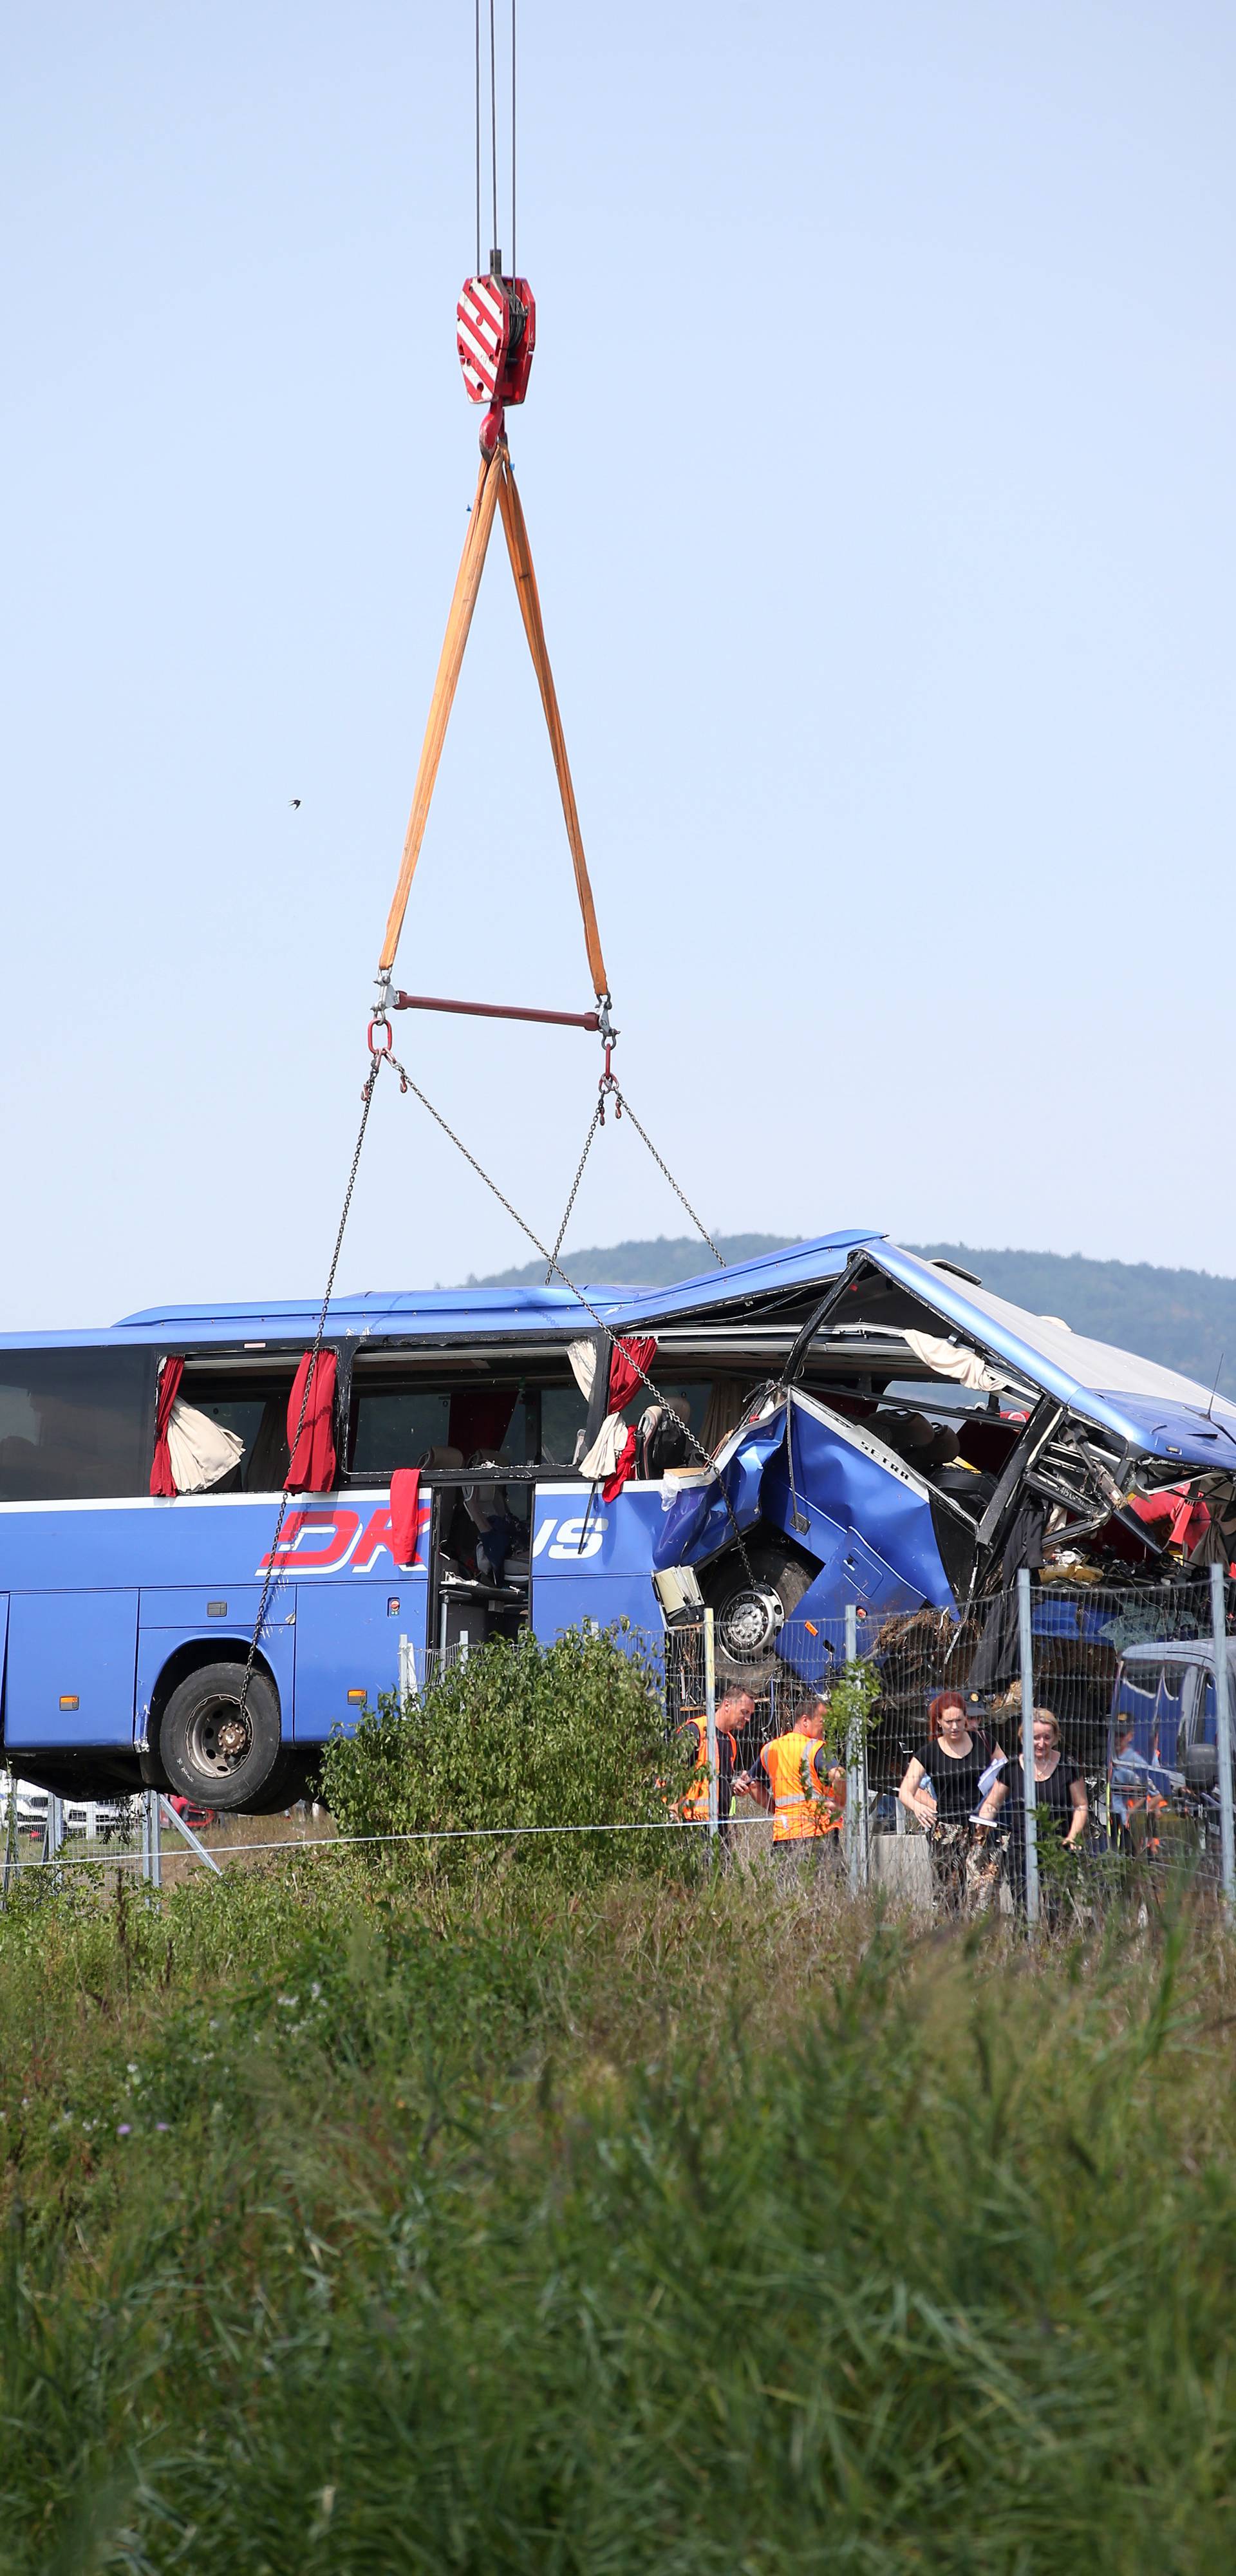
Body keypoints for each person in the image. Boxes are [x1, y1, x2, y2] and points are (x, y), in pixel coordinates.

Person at [897, 1690, 1005, 1917]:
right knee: (948, 1900)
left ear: (965, 1717)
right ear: (939, 1722)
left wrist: (992, 1802)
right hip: (947, 1833)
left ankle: (982, 1948)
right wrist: (918, 1807)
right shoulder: (928, 1753)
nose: (955, 1727)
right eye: (949, 1722)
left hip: (981, 1828)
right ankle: (947, 1948)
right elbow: (906, 1791)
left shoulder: (985, 1741)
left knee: (982, 1900)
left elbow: (1006, 1773)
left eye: (959, 1720)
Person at [978, 1707, 1087, 1917]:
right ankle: (1025, 1948)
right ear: (1024, 1738)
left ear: (1055, 1738)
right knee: (1023, 1910)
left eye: (1047, 1737)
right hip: (1021, 1849)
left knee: (1058, 1910)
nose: (1041, 1743)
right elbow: (992, 1804)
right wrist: (982, 1828)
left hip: (1058, 1849)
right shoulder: (1011, 1768)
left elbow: (1081, 1806)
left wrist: (1073, 1836)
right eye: (1036, 1738)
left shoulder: (1068, 1767)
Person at [737, 1697, 846, 1887]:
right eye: (822, 1722)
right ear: (805, 1721)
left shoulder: (770, 1749)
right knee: (828, 1894)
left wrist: (776, 1809)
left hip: (784, 1838)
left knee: (790, 1898)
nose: (825, 1728)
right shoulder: (816, 1749)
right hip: (819, 1835)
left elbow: (753, 1785)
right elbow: (839, 1775)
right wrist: (840, 1804)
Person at [674, 1688, 756, 1851]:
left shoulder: (731, 1742)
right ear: (727, 1705)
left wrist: (734, 1788)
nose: (747, 1719)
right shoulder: (696, 1730)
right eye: (744, 1712)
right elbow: (670, 1774)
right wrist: (673, 1814)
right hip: (694, 1825)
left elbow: (715, 1784)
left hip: (720, 1826)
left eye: (750, 1715)